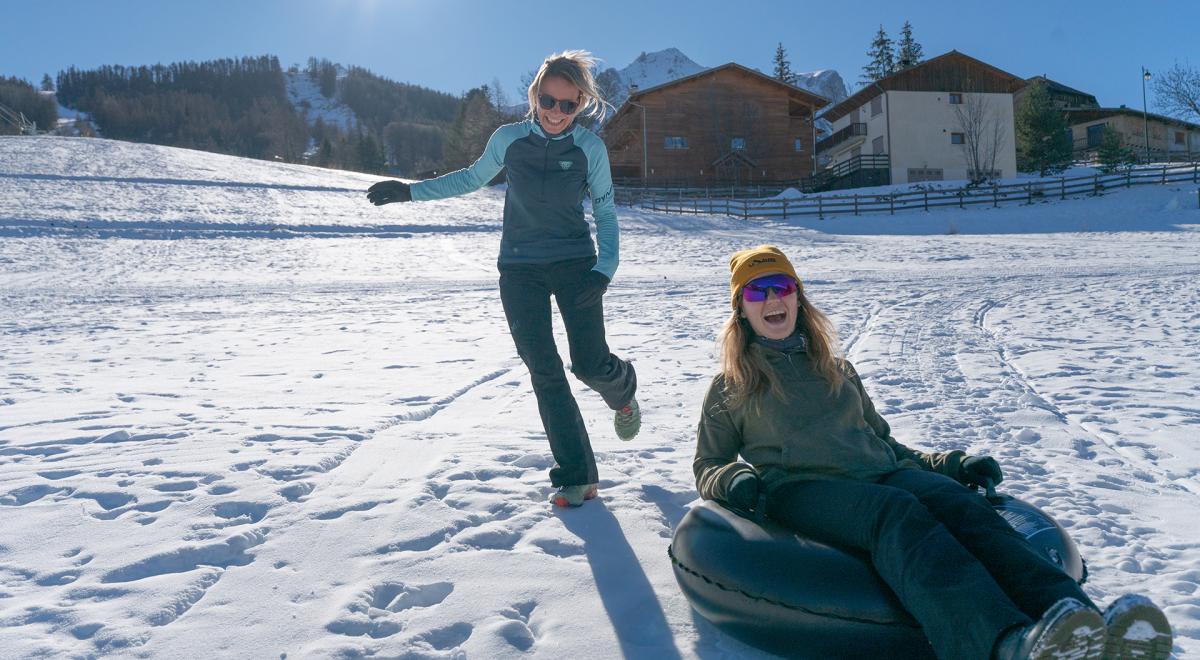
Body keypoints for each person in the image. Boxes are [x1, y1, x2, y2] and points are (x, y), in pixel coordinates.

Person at [693, 245, 1173, 660]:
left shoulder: (837, 369)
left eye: (782, 286)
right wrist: (733, 480)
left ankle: (1081, 622)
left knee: (959, 503)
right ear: (741, 309)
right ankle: (1004, 642)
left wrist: (949, 466)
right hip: (801, 489)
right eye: (758, 292)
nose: (773, 299)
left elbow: (884, 443)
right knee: (895, 513)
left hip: (876, 472)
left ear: (799, 295)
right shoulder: (732, 385)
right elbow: (708, 464)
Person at [366, 50, 638, 508]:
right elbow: (471, 178)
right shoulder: (509, 140)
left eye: (567, 105)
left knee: (589, 364)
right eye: (548, 101)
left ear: (581, 106)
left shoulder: (589, 148)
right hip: (519, 269)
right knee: (544, 371)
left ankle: (623, 390)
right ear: (535, 96)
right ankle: (578, 476)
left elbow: (606, 212)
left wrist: (603, 271)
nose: (556, 113)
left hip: (576, 264)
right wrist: (411, 192)